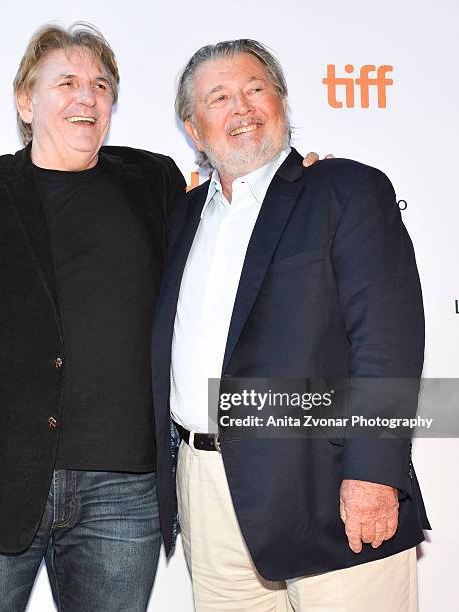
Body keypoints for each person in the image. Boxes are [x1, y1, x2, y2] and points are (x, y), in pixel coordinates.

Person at [0, 23, 187, 611]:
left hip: (124, 489)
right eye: (68, 82)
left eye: (102, 85)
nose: (87, 97)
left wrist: (288, 187)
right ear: (26, 101)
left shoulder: (155, 182)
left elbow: (224, 250)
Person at [152, 39, 430, 611]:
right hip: (204, 486)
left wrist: (375, 474)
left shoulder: (344, 189)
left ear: (281, 101)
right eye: (220, 97)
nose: (242, 107)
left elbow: (387, 342)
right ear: (193, 129)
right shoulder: (180, 217)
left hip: (325, 483)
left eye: (256, 89)